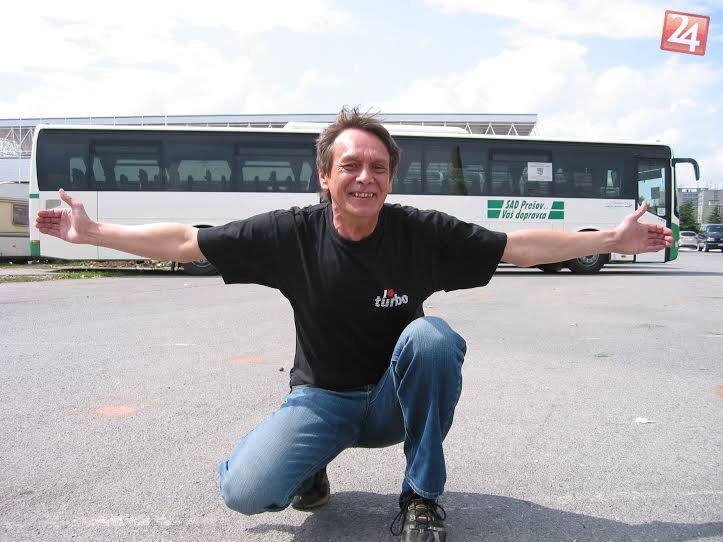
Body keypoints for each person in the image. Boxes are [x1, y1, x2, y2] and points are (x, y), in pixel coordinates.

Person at [36, 108, 671, 541]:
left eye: (378, 167)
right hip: (322, 399)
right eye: (350, 166)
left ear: (391, 177)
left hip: (393, 399)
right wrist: (95, 233)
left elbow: (517, 246)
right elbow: (185, 241)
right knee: (244, 493)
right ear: (325, 176)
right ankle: (308, 467)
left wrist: (609, 239)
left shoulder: (421, 233)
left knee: (432, 339)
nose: (365, 177)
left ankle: (421, 497)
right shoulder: (290, 234)